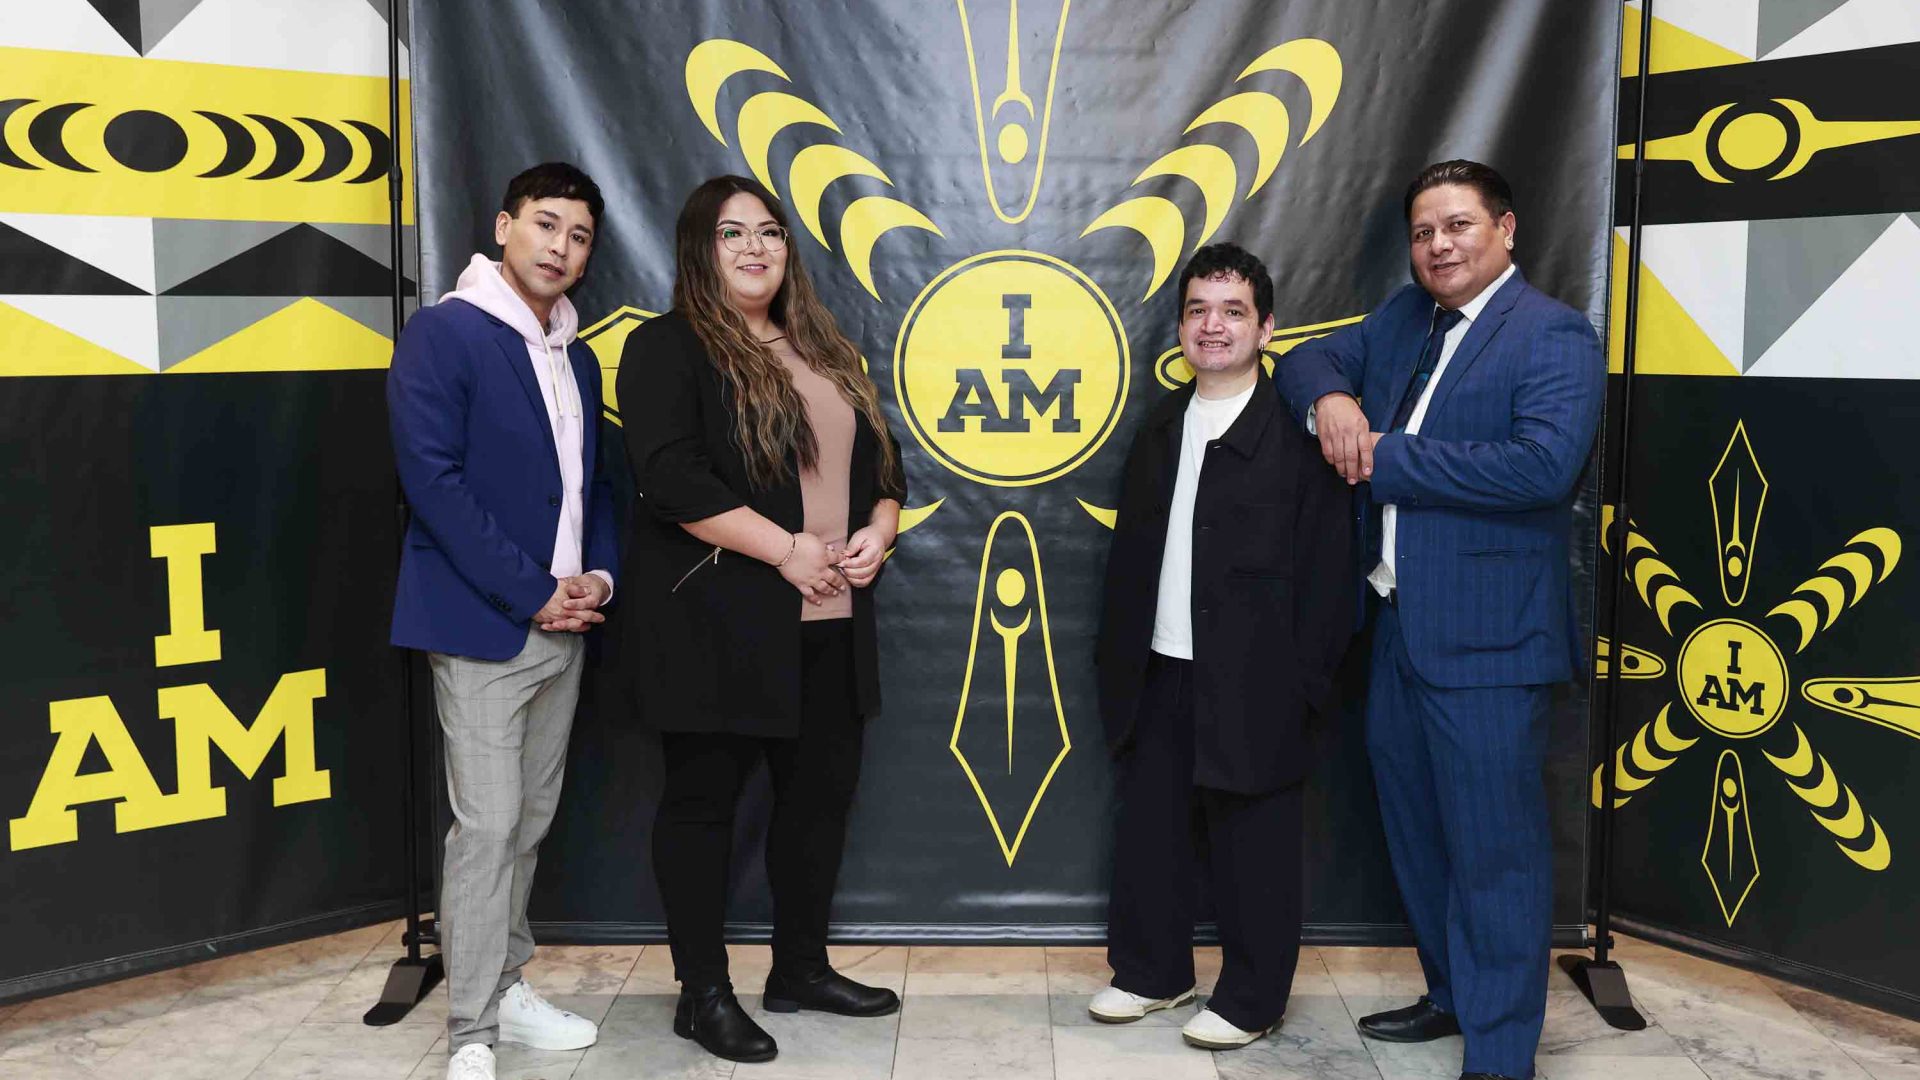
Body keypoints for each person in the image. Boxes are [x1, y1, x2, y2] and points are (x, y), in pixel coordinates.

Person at [1275, 160, 1605, 1080]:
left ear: (1506, 231)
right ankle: (1454, 997)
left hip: (1493, 644)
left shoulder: (1554, 336)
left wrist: (1385, 456)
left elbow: (1540, 470)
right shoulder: (1404, 317)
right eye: (1424, 233)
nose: (1438, 245)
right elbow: (1304, 357)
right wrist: (1333, 399)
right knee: (1419, 838)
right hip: (1396, 630)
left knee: (1496, 855)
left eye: (1457, 226)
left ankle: (1501, 1056)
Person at [615, 174, 908, 1064]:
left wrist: (879, 533)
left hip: (832, 622)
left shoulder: (827, 350)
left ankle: (800, 969)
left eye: (770, 232)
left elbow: (885, 473)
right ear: (699, 249)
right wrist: (786, 551)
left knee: (816, 804)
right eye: (732, 232)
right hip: (720, 623)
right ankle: (701, 992)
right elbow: (671, 481)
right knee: (704, 807)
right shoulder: (667, 347)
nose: (755, 247)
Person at [1091, 243, 1354, 1051]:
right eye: (1199, 310)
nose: (1214, 325)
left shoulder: (1300, 439)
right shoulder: (1161, 428)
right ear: (1178, 328)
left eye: (1233, 310)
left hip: (1259, 679)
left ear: (1267, 328)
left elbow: (1332, 578)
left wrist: (1304, 684)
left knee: (1256, 849)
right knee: (1152, 834)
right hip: (1158, 668)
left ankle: (1251, 997)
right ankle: (1152, 973)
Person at [387, 161, 618, 1080]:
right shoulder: (446, 334)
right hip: (488, 624)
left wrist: (595, 576)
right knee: (485, 829)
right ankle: (471, 1033)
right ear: (503, 225)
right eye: (546, 225)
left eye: (579, 236)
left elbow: (598, 483)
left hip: (570, 624)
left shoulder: (578, 352)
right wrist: (532, 591)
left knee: (528, 821)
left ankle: (509, 988)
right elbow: (433, 485)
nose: (560, 247)